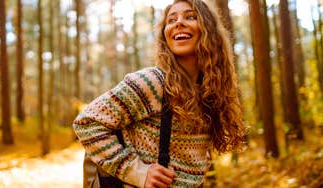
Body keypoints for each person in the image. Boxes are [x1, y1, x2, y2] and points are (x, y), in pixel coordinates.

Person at [73, 0, 246, 187]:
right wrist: (137, 171)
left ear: (209, 31)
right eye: (171, 20)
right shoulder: (152, 82)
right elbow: (87, 123)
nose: (178, 23)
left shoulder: (210, 94)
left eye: (190, 16)